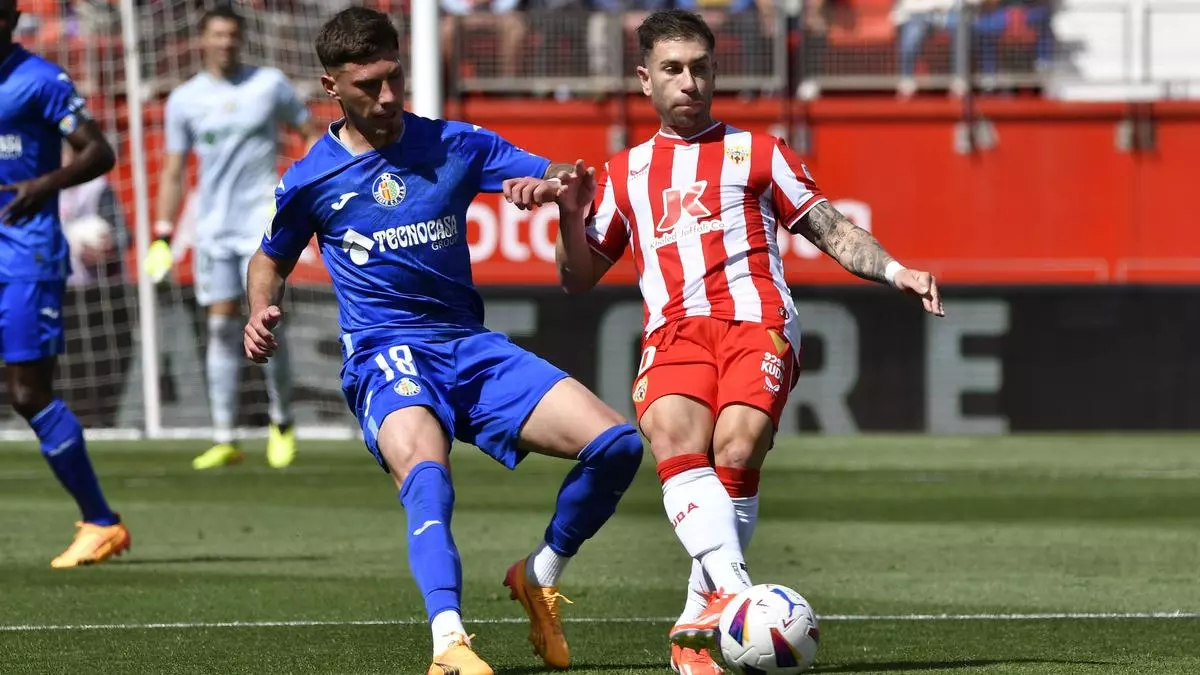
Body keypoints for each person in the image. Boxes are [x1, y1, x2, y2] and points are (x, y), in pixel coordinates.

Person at [243, 8, 644, 675]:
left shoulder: (455, 144)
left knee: (618, 445)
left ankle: (538, 574)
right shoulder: (311, 178)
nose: (390, 96)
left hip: (467, 346)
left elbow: (567, 174)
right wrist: (262, 308)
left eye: (395, 76)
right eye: (369, 84)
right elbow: (269, 258)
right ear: (331, 86)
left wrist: (546, 188)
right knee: (428, 475)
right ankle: (448, 642)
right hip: (384, 355)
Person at [551, 9, 945, 673]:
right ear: (644, 79)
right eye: (673, 70)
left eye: (700, 68)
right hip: (674, 328)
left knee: (735, 448)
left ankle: (694, 621)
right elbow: (579, 275)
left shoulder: (757, 152)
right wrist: (569, 212)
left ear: (715, 72)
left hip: (757, 323)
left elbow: (830, 227)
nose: (689, 82)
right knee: (675, 434)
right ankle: (737, 597)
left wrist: (895, 268)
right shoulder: (626, 172)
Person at [145, 5, 323, 470]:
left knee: (265, 319)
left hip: (262, 224)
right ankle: (225, 435)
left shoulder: (268, 85)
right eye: (217, 35)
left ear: (241, 39)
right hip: (212, 229)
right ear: (202, 40)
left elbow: (310, 134)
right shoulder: (185, 99)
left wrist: (306, 197)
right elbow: (173, 171)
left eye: (231, 35)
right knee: (221, 327)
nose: (225, 42)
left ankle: (281, 421)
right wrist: (162, 236)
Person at [0, 0, 130, 568]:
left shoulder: (40, 80)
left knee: (28, 393)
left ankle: (101, 522)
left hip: (26, 257)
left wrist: (44, 184)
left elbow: (100, 151)